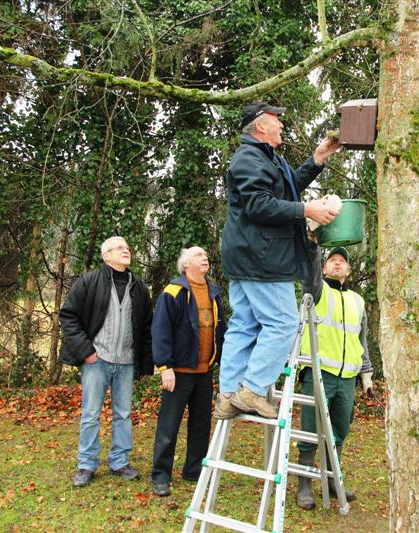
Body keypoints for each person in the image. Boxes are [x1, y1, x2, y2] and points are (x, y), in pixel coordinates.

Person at [214, 102, 342, 419]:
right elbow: (260, 206)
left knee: (244, 324)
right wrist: (306, 210)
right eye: (275, 119)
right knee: (283, 322)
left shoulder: (265, 158)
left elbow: (285, 191)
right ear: (260, 126)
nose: (281, 124)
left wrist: (318, 159)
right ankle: (253, 390)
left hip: (250, 255)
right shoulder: (248, 159)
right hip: (262, 257)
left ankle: (229, 393)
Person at [59, 236, 153, 488]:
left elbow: (146, 328)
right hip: (96, 360)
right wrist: (86, 351)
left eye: (127, 247)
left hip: (126, 362)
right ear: (106, 255)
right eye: (120, 248)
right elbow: (68, 316)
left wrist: (144, 363)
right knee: (91, 414)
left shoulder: (139, 287)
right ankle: (86, 464)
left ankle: (119, 461)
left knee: (123, 414)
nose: (126, 250)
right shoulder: (89, 281)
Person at [296, 245, 374, 509]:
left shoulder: (358, 301)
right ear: (325, 267)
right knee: (310, 429)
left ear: (349, 270)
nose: (338, 263)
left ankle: (331, 481)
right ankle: (304, 485)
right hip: (319, 373)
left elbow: (361, 340)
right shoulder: (318, 291)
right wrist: (314, 246)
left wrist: (367, 376)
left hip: (347, 377)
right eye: (333, 260)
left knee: (339, 431)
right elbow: (309, 275)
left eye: (342, 261)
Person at [149, 246, 226, 497]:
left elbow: (221, 333)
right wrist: (165, 367)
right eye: (198, 256)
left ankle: (193, 470)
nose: (204, 258)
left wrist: (223, 365)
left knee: (201, 424)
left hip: (204, 372)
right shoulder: (173, 292)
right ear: (185, 265)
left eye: (205, 255)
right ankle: (161, 475)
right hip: (178, 372)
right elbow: (160, 331)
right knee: (168, 425)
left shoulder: (214, 293)